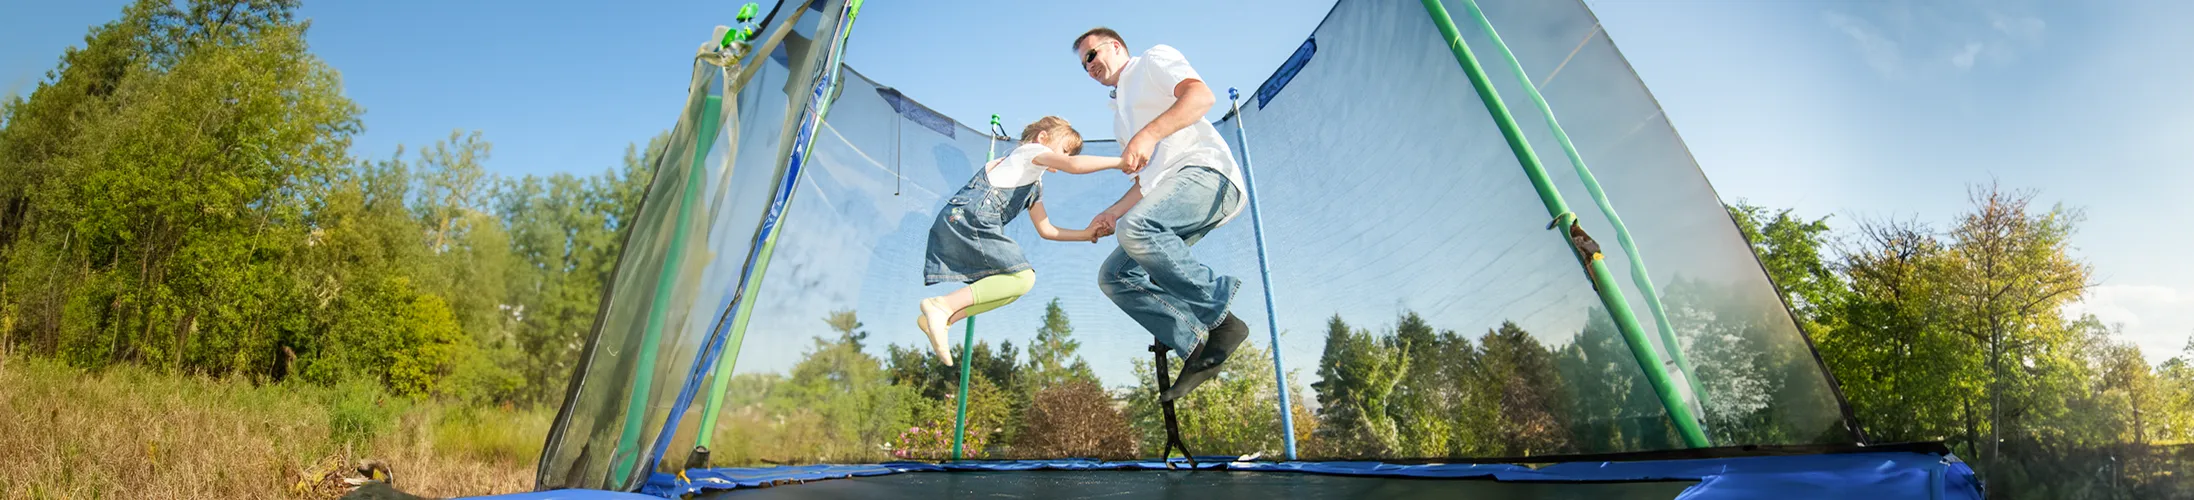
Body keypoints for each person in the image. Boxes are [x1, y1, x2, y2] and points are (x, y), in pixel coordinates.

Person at [1072, 27, 1251, 402]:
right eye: (1083, 64)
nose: (1088, 66)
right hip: (1172, 191)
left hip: (1208, 175)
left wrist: (1150, 133)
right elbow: (1146, 181)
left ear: (1116, 47)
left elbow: (1201, 96)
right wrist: (1112, 212)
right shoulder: (1121, 117)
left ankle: (1222, 319)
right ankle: (1198, 346)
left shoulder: (1152, 60)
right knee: (1114, 276)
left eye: (1091, 55)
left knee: (1137, 228)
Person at [915, 116, 1123, 366]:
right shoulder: (1030, 153)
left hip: (967, 218)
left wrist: (1086, 233)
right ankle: (942, 306)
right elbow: (1075, 166)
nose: (1065, 157)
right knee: (1022, 277)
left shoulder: (1033, 182)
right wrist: (1121, 161)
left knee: (1013, 288)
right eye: (1064, 150)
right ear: (1042, 138)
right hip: (973, 217)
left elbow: (1046, 229)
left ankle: (942, 319)